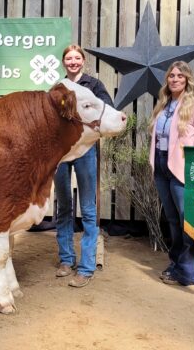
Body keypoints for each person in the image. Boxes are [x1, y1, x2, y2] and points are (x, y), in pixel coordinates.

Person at [53, 44, 113, 288]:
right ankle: (66, 260)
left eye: (77, 58)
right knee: (64, 205)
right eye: (69, 58)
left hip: (86, 150)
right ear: (64, 62)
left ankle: (86, 267)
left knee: (88, 208)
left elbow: (107, 111)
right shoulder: (58, 88)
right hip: (62, 152)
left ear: (83, 61)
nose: (73, 62)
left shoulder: (94, 86)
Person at [149, 61, 194, 287]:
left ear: (187, 80)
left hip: (183, 168)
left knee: (187, 220)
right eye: (171, 76)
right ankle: (176, 263)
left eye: (180, 76)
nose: (174, 79)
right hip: (162, 165)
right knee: (172, 219)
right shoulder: (163, 104)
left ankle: (189, 271)